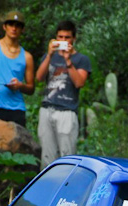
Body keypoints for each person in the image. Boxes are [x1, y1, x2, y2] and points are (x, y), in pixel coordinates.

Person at [35, 20, 91, 169]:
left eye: (67, 37)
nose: (63, 40)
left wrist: (68, 60)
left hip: (67, 111)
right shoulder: (50, 56)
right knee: (47, 158)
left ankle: (67, 184)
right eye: (60, 37)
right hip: (47, 109)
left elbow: (79, 83)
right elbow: (39, 78)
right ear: (55, 38)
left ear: (74, 39)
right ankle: (48, 183)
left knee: (67, 158)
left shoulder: (81, 59)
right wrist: (49, 55)